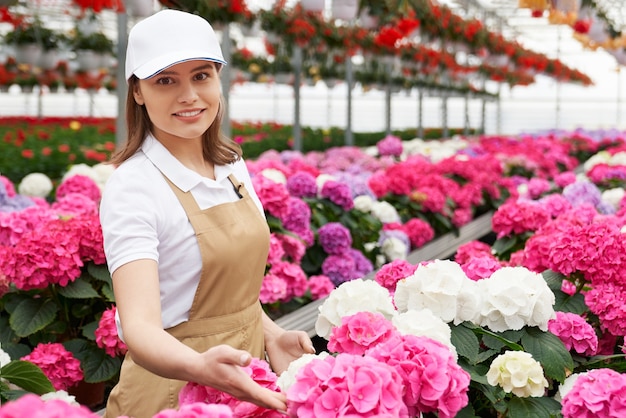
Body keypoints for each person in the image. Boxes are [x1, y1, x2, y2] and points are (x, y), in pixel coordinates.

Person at [99, 9, 315, 418]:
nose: (189, 96)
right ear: (138, 92)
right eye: (166, 81)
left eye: (201, 76)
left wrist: (271, 335)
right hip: (171, 393)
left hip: (244, 378)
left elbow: (227, 295)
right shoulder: (134, 186)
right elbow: (141, 328)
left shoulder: (231, 166)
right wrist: (200, 367)